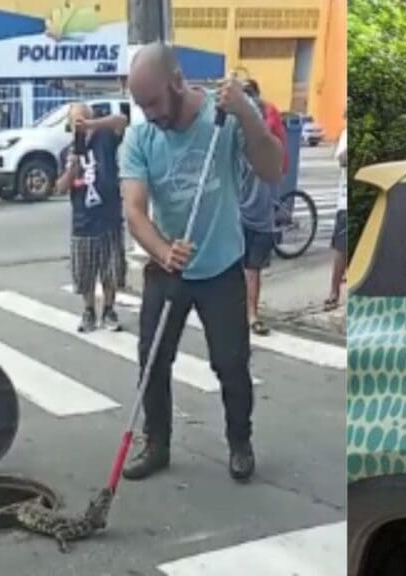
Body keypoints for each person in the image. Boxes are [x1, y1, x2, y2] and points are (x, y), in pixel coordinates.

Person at [118, 43, 284, 483]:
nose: (149, 113)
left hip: (221, 267)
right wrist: (161, 250)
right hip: (168, 268)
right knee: (153, 362)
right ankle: (157, 443)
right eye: (140, 105)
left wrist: (248, 114)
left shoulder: (222, 120)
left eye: (153, 102)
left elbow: (272, 169)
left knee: (231, 363)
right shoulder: (141, 137)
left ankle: (240, 442)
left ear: (177, 82)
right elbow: (134, 211)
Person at [54, 103, 129, 332]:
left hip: (108, 217)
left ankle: (109, 309)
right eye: (75, 123)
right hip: (82, 221)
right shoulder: (67, 152)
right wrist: (71, 169)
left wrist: (92, 125)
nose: (80, 128)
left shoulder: (105, 138)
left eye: (82, 121)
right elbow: (59, 188)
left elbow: (122, 121)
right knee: (85, 272)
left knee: (111, 269)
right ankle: (88, 310)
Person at [239, 79, 289, 336]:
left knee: (253, 269)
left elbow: (279, 168)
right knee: (236, 270)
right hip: (237, 216)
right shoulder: (233, 140)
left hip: (261, 215)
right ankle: (239, 314)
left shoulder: (270, 141)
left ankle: (252, 314)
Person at [325, 120, 348, 312]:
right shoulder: (346, 134)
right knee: (340, 248)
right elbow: (341, 159)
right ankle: (334, 291)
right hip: (344, 202)